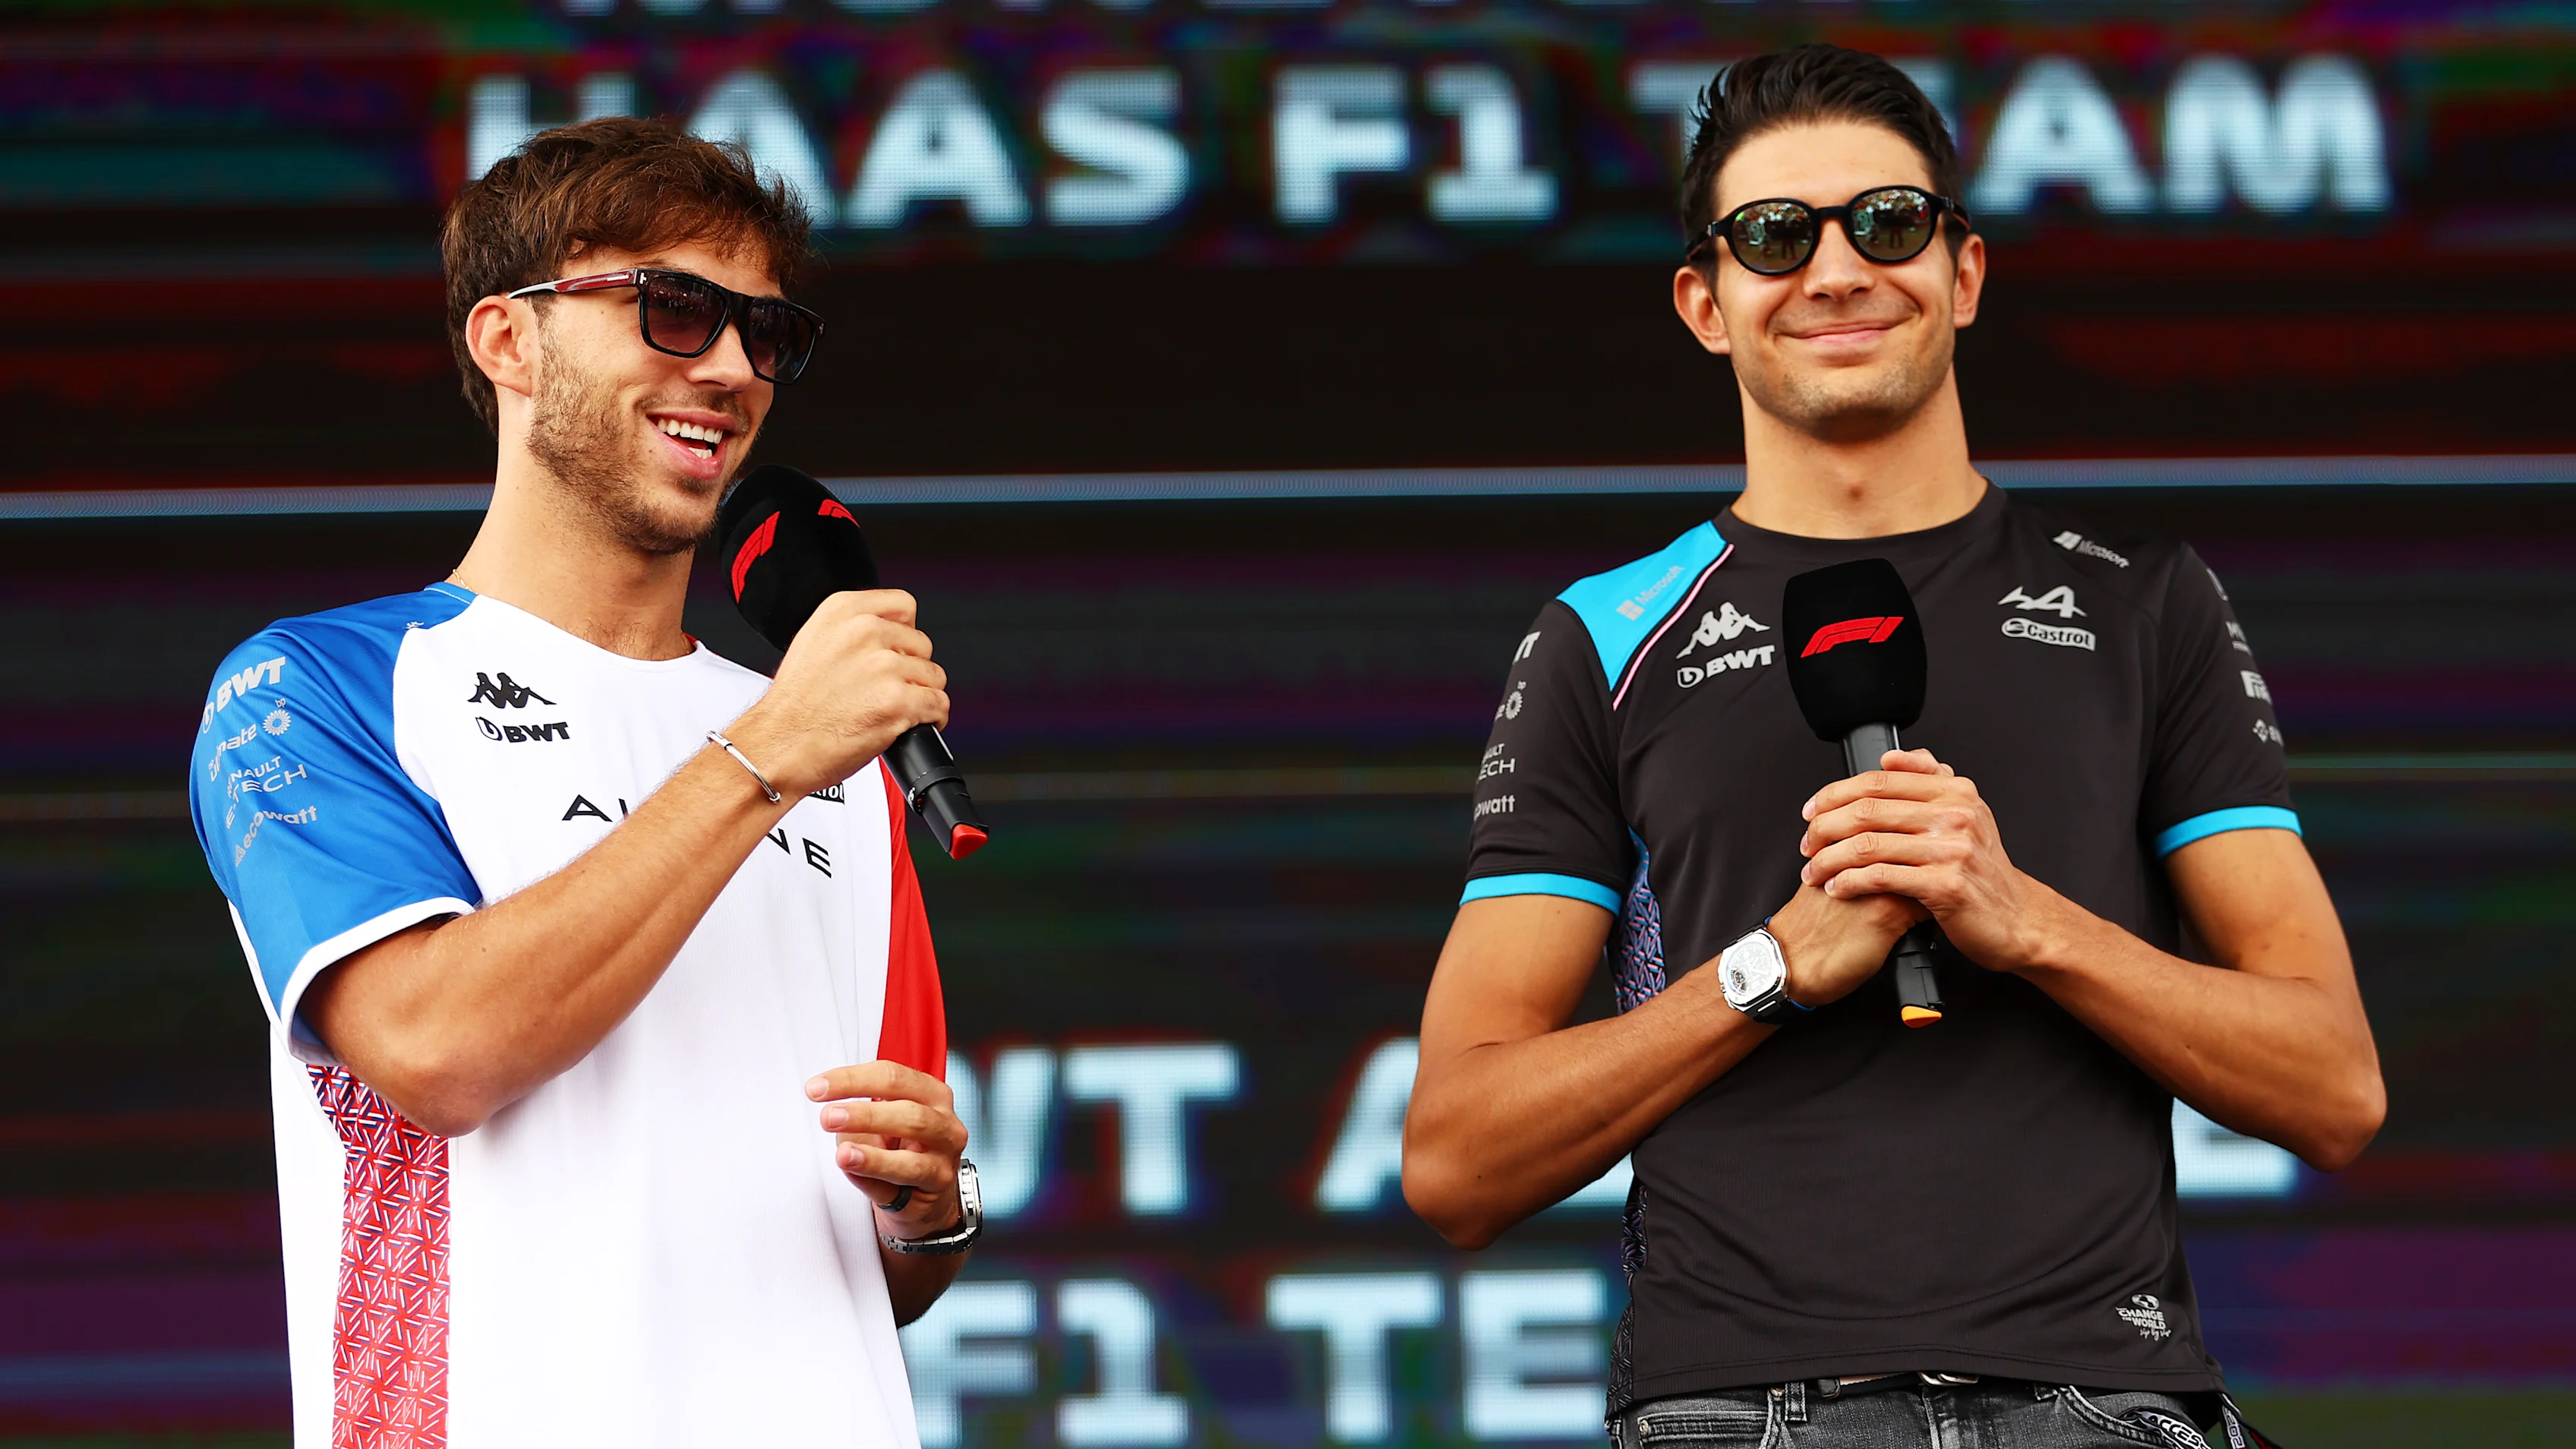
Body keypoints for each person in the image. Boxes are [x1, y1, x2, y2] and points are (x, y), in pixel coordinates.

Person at [1403, 45, 2382, 1449]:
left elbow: (2335, 1085)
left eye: (1888, 222)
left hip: (2103, 1399)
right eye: (1774, 235)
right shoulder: (1603, 636)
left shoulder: (2141, 598)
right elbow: (1455, 1155)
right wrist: (1769, 968)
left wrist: (2024, 918)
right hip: (1736, 1410)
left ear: (1964, 272)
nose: (1838, 270)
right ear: (1707, 301)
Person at [187, 118, 978, 1447]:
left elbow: (871, 1275)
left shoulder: (831, 748)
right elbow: (438, 1053)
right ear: (509, 341)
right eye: (675, 309)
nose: (729, 365)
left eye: (765, 332)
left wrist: (931, 1208)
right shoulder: (317, 685)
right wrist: (767, 758)